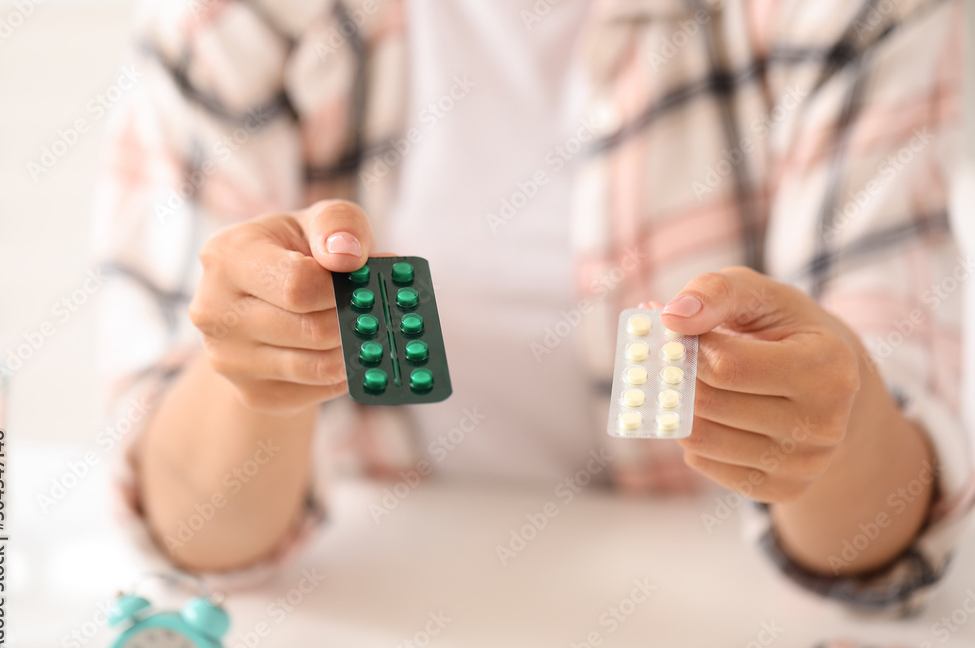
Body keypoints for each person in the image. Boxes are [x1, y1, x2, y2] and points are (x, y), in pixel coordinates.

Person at [92, 0, 971, 614]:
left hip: (713, 604)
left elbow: (882, 537)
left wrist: (833, 421)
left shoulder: (859, 11)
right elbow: (196, 530)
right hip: (375, 594)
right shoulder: (228, 20)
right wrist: (260, 365)